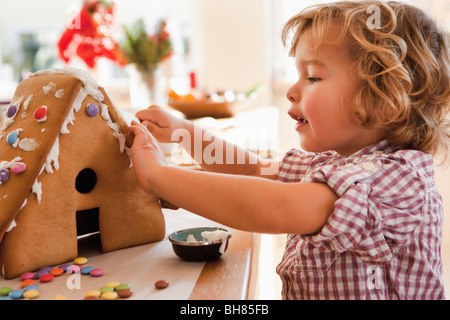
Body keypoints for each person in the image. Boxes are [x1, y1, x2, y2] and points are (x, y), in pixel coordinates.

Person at [129, 0, 449, 299]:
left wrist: (159, 175)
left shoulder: (397, 181)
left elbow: (274, 207)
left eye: (312, 77)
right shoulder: (335, 162)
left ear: (384, 100)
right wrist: (185, 133)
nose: (293, 92)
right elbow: (255, 169)